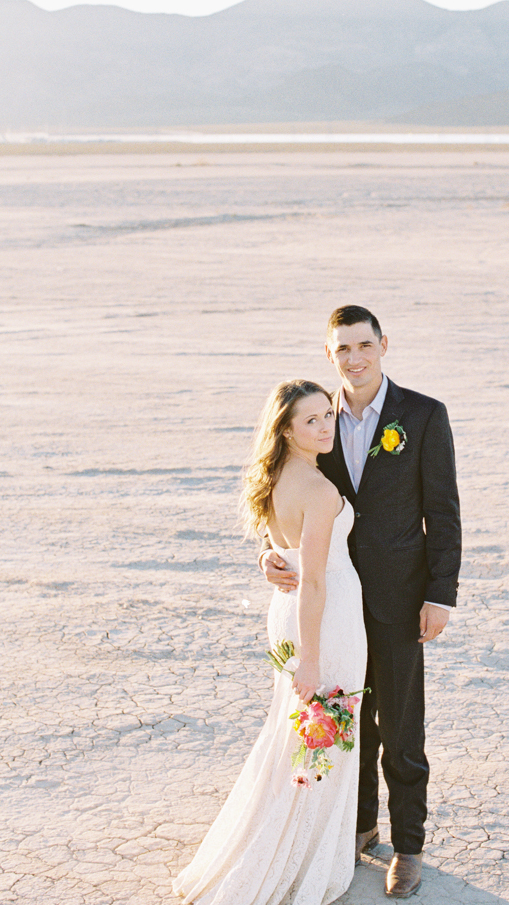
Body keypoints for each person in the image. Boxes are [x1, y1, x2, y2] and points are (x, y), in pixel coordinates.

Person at [261, 306, 461, 899]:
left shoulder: (422, 416)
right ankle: (359, 827)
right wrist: (271, 554)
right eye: (342, 348)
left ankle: (409, 847)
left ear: (383, 345)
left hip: (402, 599)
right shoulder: (315, 417)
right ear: (330, 355)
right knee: (351, 721)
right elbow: (283, 488)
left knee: (400, 724)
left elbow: (444, 514)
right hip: (336, 600)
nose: (354, 358)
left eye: (364, 345)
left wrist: (439, 595)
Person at [173, 380, 367, 905]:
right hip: (322, 621)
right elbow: (316, 580)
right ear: (286, 429)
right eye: (311, 420)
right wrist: (311, 658)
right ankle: (300, 859)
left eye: (328, 414)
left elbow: (281, 546)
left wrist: (267, 557)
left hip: (290, 613)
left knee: (299, 735)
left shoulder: (277, 475)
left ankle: (288, 840)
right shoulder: (321, 490)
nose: (326, 426)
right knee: (323, 736)